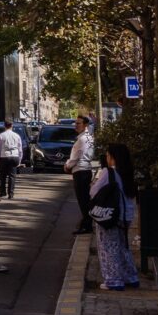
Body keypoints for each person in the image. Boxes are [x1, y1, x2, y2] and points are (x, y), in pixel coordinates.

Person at [91, 141, 141, 289]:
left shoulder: (108, 172)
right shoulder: (129, 173)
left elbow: (93, 192)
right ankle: (131, 277)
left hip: (110, 215)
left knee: (108, 248)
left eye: (107, 155)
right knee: (123, 246)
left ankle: (113, 281)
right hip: (127, 215)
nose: (106, 158)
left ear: (112, 157)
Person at [66, 114, 98, 233]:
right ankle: (86, 223)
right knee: (84, 199)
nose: (76, 125)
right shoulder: (87, 137)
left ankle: (87, 225)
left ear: (85, 125)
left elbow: (76, 156)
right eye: (76, 123)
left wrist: (68, 165)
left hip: (81, 171)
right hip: (83, 170)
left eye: (79, 123)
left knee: (83, 200)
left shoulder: (83, 139)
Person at [0, 120, 24, 199]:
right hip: (14, 156)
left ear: (4, 126)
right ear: (12, 126)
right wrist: (19, 160)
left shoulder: (1, 136)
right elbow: (20, 149)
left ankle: (2, 192)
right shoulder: (17, 136)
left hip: (4, 156)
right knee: (12, 176)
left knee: (3, 175)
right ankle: (11, 193)